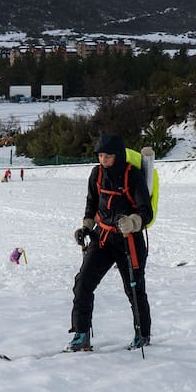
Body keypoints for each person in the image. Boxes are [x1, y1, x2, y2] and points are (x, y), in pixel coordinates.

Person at [67, 134, 154, 351]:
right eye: (100, 155)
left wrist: (133, 222)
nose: (102, 160)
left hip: (129, 240)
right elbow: (92, 203)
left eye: (107, 156)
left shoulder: (133, 176)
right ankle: (81, 333)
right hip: (103, 237)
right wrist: (86, 227)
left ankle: (142, 334)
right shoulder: (96, 174)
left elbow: (147, 212)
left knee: (134, 289)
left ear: (118, 155)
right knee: (83, 283)